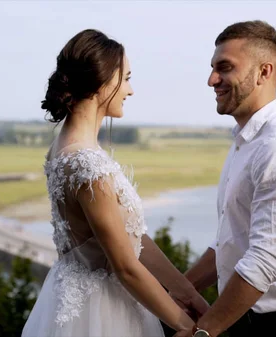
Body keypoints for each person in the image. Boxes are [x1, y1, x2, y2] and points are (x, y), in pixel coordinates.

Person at [21, 28, 208, 337]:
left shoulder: (63, 147)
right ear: (103, 82)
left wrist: (186, 292)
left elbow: (133, 239)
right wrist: (188, 327)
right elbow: (126, 267)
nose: (130, 91)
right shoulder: (88, 166)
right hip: (102, 314)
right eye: (127, 78)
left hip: (68, 299)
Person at [174, 20, 276, 337]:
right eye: (213, 68)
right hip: (242, 324)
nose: (211, 80)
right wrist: (179, 293)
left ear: (264, 72)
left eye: (225, 68)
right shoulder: (247, 142)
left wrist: (201, 333)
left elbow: (265, 259)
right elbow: (230, 243)